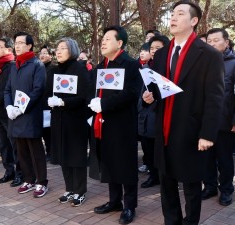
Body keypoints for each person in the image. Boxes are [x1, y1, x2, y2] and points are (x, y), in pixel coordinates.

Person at [142, 1, 224, 224]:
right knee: (166, 183)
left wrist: (207, 133)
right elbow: (159, 87)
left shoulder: (208, 55)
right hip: (164, 128)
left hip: (191, 129)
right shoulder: (161, 54)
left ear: (194, 21)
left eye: (180, 14)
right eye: (172, 14)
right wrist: (150, 96)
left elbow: (215, 98)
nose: (173, 18)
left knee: (190, 185)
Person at [89, 25, 142, 224]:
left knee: (126, 165)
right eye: (102, 39)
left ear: (119, 43)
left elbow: (130, 94)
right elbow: (95, 91)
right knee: (109, 162)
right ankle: (114, 201)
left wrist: (104, 104)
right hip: (103, 122)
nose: (103, 42)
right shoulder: (101, 66)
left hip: (123, 124)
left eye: (107, 39)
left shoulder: (130, 64)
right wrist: (93, 103)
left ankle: (129, 206)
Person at [45, 37, 89, 207]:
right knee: (63, 155)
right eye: (57, 48)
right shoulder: (54, 70)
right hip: (58, 119)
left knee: (76, 156)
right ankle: (69, 188)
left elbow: (84, 97)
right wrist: (49, 100)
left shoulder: (79, 68)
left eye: (63, 48)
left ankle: (80, 190)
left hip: (76, 120)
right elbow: (48, 92)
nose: (58, 51)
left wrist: (64, 102)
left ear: (72, 50)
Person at [4, 31, 48, 198]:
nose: (17, 45)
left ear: (29, 46)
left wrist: (21, 108)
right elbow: (8, 89)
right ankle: (29, 179)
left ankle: (42, 182)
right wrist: (9, 107)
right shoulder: (15, 66)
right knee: (21, 149)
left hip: (30, 114)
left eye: (21, 43)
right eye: (16, 43)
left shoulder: (37, 64)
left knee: (36, 149)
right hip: (15, 115)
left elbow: (38, 90)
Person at [202, 28, 235, 206]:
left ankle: (226, 190)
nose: (212, 44)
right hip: (205, 120)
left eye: (216, 40)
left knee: (224, 158)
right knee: (206, 157)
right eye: (209, 41)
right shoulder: (203, 63)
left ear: (227, 42)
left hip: (225, 121)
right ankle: (209, 187)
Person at [0, 37, 22, 186]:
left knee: (15, 145)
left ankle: (20, 173)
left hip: (8, 111)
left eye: (0, 46)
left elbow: (12, 88)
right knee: (3, 145)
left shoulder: (12, 65)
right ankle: (9, 171)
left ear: (9, 49)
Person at [138, 35, 170, 189]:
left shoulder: (171, 67)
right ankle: (153, 175)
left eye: (159, 48)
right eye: (152, 48)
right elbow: (142, 93)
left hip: (162, 116)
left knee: (162, 150)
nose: (154, 51)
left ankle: (164, 177)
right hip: (146, 115)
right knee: (147, 148)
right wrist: (144, 102)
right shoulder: (146, 69)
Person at [39, 45, 55, 162]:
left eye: (45, 53)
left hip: (50, 104)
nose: (42, 55)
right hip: (40, 103)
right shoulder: (38, 67)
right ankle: (48, 151)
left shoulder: (54, 68)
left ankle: (52, 152)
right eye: (41, 53)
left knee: (50, 129)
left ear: (51, 55)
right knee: (44, 130)